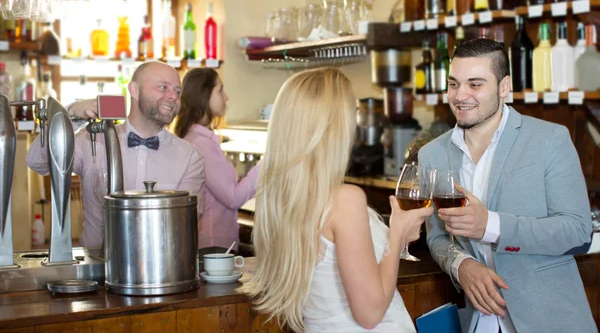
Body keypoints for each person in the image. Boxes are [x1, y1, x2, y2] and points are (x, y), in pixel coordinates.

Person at [419, 39, 596, 333]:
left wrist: (490, 225)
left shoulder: (550, 139)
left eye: (475, 84)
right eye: (453, 83)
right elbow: (437, 237)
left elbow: (578, 232)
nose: (460, 95)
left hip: (550, 321)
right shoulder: (432, 154)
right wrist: (461, 266)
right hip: (478, 322)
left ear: (504, 87)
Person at [239, 67, 432, 332]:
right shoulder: (345, 201)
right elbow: (370, 313)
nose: (355, 124)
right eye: (351, 112)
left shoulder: (283, 199)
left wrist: (396, 241)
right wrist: (397, 233)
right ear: (331, 125)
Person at [27, 61, 205, 249]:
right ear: (134, 90)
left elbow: (184, 224)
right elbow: (38, 162)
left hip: (160, 269)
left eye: (177, 92)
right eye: (163, 87)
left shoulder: (190, 157)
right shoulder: (93, 140)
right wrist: (71, 116)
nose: (173, 97)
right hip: (95, 268)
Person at [174, 68, 259, 255]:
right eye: (220, 90)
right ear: (204, 95)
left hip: (211, 241)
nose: (226, 97)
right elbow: (233, 198)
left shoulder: (198, 139)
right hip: (212, 243)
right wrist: (265, 164)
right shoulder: (201, 144)